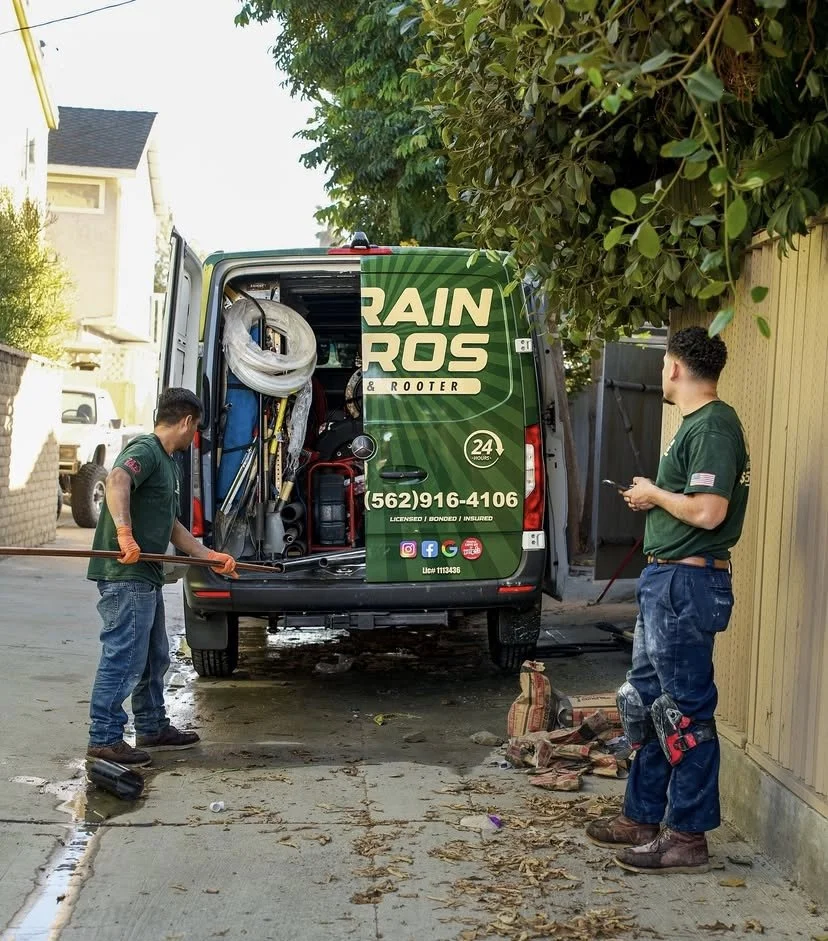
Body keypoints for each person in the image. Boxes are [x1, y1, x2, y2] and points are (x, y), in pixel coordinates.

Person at [586, 326, 749, 874]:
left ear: (674, 367)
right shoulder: (695, 427)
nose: (661, 373)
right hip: (667, 581)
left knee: (684, 713)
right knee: (646, 702)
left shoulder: (713, 428)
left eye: (662, 364)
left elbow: (708, 513)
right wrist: (653, 499)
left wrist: (654, 493)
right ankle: (642, 816)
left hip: (687, 585)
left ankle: (688, 836)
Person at [86, 388, 238, 767]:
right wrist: (124, 533)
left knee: (154, 657)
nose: (195, 435)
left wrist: (207, 556)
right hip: (126, 574)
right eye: (196, 427)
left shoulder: (167, 463)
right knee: (124, 657)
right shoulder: (146, 450)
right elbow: (118, 480)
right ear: (186, 421)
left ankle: (152, 726)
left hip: (146, 575)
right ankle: (104, 737)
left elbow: (168, 523)